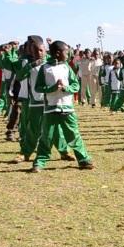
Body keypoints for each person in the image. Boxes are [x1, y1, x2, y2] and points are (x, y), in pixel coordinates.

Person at [30, 40, 94, 172]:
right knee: (46, 137)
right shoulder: (45, 68)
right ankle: (39, 162)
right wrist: (53, 88)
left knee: (73, 135)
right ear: (58, 53)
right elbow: (38, 87)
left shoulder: (66, 67)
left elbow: (75, 85)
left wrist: (66, 88)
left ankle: (83, 160)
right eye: (66, 52)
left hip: (67, 108)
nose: (68, 55)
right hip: (51, 108)